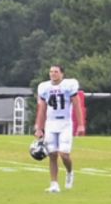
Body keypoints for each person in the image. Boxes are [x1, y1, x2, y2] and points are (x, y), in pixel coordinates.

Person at [35, 65, 82, 193]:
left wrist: (81, 125)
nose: (53, 74)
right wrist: (39, 127)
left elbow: (77, 105)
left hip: (65, 123)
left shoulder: (69, 85)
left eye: (56, 72)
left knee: (64, 154)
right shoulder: (44, 87)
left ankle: (69, 172)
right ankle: (54, 184)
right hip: (50, 123)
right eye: (51, 71)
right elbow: (42, 108)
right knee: (52, 154)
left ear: (62, 74)